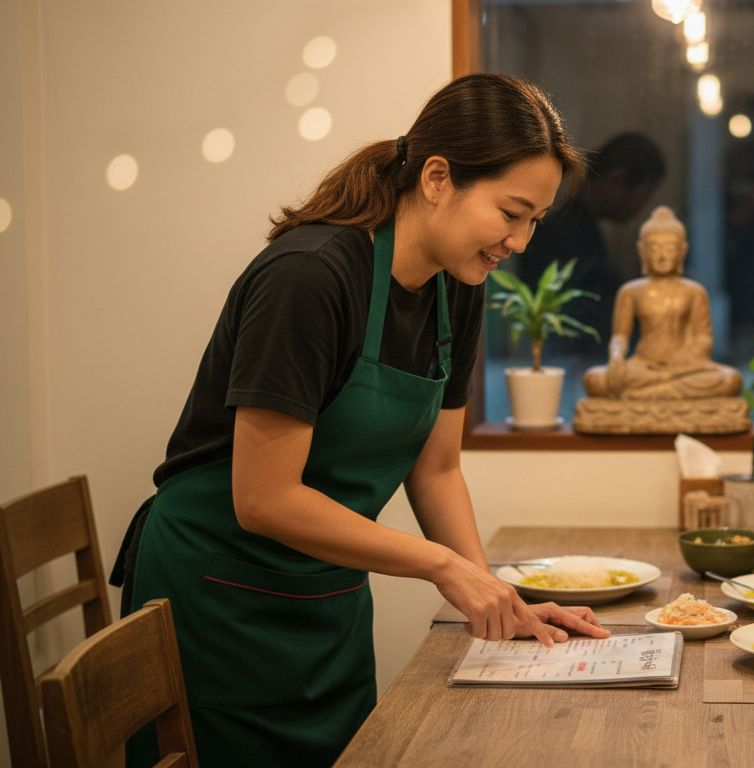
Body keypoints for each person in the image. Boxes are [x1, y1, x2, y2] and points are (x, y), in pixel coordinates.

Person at [109, 74, 610, 767]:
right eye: (511, 212)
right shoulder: (309, 277)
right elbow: (264, 499)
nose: (520, 241)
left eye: (535, 221)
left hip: (326, 597)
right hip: (218, 596)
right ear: (437, 178)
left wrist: (497, 599)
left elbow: (436, 469)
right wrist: (443, 567)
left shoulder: (457, 287)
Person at [511, 131, 666, 349]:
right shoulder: (568, 233)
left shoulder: (579, 226)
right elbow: (586, 316)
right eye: (644, 197)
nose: (642, 207)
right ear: (617, 179)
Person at [581, 205, 742, 400]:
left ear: (682, 251)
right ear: (642, 251)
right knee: (594, 379)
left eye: (669, 248)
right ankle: (660, 391)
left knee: (730, 380)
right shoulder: (631, 291)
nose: (662, 255)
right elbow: (620, 336)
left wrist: (680, 361)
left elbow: (703, 339)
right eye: (655, 248)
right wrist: (616, 358)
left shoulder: (694, 291)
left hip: (684, 367)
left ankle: (643, 394)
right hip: (643, 365)